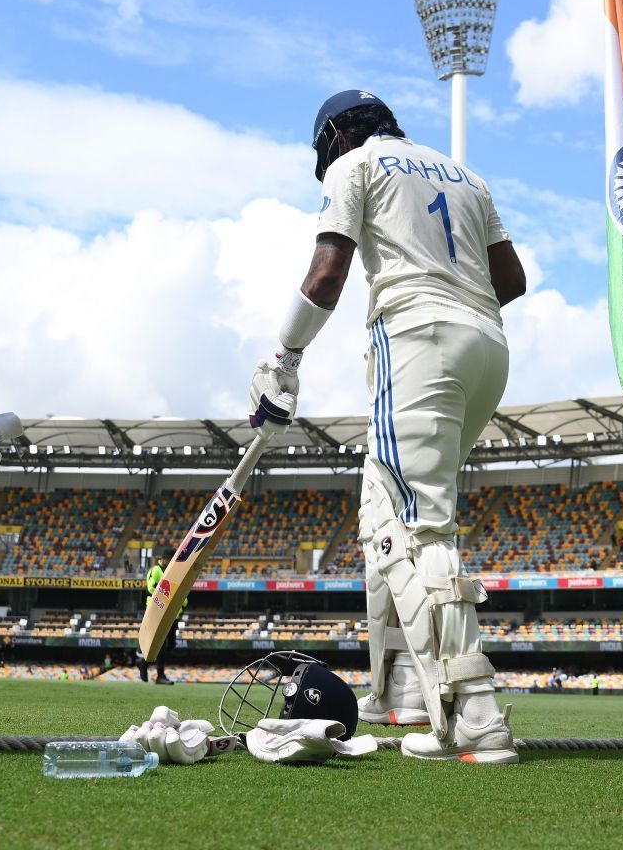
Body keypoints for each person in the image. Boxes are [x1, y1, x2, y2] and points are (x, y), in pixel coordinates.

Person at [245, 90, 526, 763]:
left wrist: (283, 357)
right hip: (487, 346)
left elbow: (327, 273)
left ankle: (479, 721)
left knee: (419, 524)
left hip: (418, 336)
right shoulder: (466, 176)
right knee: (384, 517)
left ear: (337, 134)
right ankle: (416, 697)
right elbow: (509, 279)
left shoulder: (355, 165)